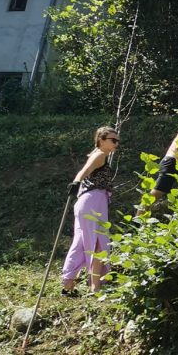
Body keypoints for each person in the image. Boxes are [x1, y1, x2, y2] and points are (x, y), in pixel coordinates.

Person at [60, 125, 120, 295]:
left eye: (117, 140)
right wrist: (76, 182)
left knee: (81, 243)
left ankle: (68, 284)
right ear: (101, 140)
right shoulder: (100, 155)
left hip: (89, 201)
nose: (116, 143)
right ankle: (95, 286)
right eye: (113, 140)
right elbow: (84, 171)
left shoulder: (99, 155)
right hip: (93, 200)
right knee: (99, 244)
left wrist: (77, 184)